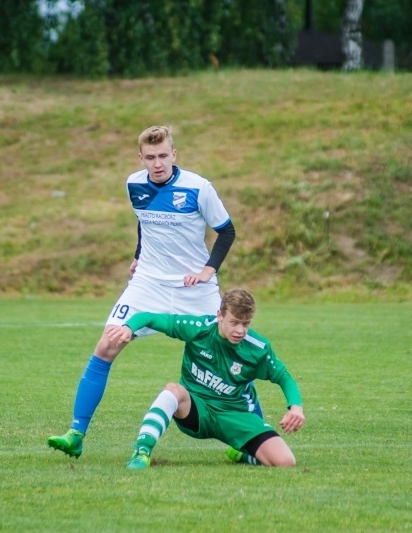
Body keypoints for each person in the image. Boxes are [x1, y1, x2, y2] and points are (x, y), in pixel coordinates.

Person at [47, 125, 263, 458]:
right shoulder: (134, 184)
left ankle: (251, 439)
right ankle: (76, 433)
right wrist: (138, 256)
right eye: (150, 157)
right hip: (148, 284)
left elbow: (226, 230)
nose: (157, 163)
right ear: (141, 158)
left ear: (174, 154)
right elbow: (144, 220)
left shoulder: (198, 187)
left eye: (163, 155)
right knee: (107, 343)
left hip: (195, 289)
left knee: (229, 353)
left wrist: (209, 270)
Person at [107, 288, 305, 469]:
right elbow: (149, 317)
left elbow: (284, 377)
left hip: (235, 415)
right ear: (220, 315)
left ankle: (242, 454)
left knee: (286, 462)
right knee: (173, 390)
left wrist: (295, 407)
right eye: (234, 322)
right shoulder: (199, 328)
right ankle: (141, 452)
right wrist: (128, 327)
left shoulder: (258, 348)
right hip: (196, 410)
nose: (240, 331)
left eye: (246, 324)